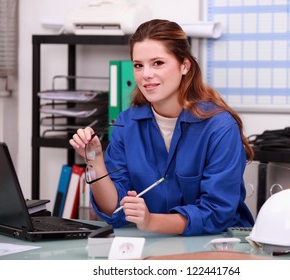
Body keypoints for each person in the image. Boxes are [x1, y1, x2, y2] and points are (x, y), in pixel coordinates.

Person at [69, 19, 254, 236]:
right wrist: (95, 161)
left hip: (219, 243)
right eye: (138, 65)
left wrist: (151, 221)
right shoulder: (125, 124)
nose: (146, 74)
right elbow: (114, 209)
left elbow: (216, 212)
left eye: (157, 63)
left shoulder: (220, 127)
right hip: (153, 242)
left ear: (184, 65)